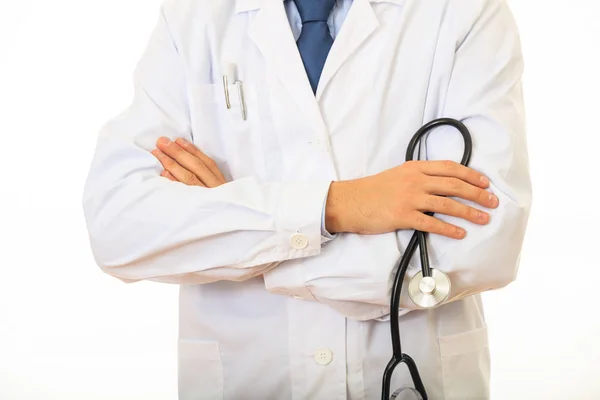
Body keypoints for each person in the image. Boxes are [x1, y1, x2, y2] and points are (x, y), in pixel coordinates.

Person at [82, 0, 532, 398]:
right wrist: (339, 206)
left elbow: (483, 241)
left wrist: (241, 232)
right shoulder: (195, 15)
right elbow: (118, 225)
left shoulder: (465, 11)